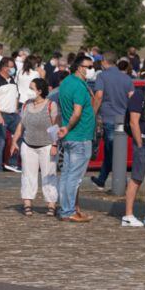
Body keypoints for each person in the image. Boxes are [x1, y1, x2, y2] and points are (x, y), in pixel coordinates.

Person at [57, 54, 95, 223]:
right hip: (79, 135)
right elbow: (77, 112)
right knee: (74, 176)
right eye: (89, 67)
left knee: (66, 175)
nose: (91, 70)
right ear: (80, 67)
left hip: (70, 137)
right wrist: (68, 127)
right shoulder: (79, 87)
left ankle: (66, 209)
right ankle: (68, 211)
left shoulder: (66, 82)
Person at [13, 77, 59, 217]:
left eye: (31, 88)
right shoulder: (26, 105)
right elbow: (21, 124)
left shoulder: (51, 105)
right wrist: (15, 140)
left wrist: (54, 144)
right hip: (28, 145)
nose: (29, 91)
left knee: (49, 175)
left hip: (46, 146)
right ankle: (27, 204)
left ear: (39, 91)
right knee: (28, 175)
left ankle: (51, 204)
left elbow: (54, 126)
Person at [90, 51, 134, 190]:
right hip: (123, 119)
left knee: (113, 151)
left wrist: (92, 114)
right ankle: (102, 179)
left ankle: (122, 183)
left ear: (104, 61)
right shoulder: (126, 78)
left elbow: (98, 96)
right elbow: (132, 97)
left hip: (109, 118)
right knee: (112, 150)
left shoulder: (102, 76)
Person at [122, 77, 145, 228]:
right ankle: (128, 214)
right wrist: (139, 143)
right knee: (137, 178)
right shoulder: (140, 95)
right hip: (143, 140)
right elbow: (133, 122)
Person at [0, 57, 21, 173]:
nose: (13, 69)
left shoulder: (12, 80)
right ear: (4, 67)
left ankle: (13, 163)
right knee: (0, 142)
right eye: (11, 66)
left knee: (19, 136)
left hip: (14, 115)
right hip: (2, 114)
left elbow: (17, 96)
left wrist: (16, 109)